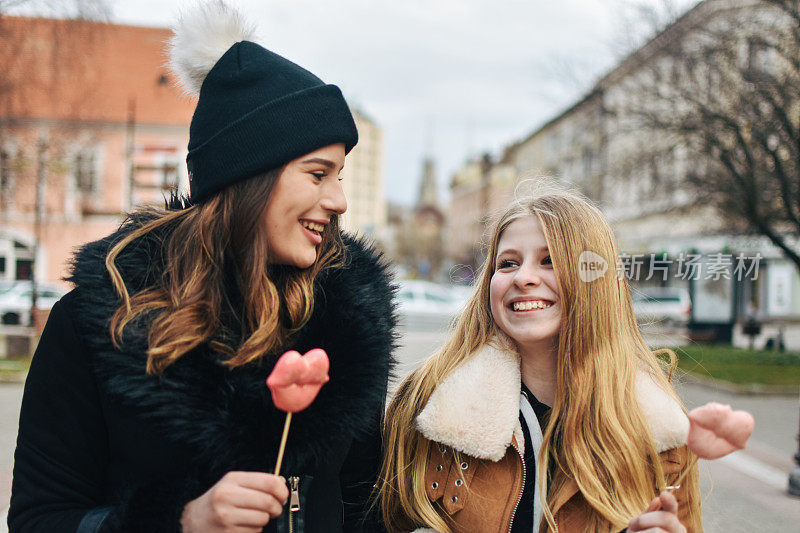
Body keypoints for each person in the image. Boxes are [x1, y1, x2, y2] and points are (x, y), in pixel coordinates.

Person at [9, 2, 394, 532]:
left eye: (341, 176)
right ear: (250, 175)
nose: (339, 201)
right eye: (318, 174)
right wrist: (180, 522)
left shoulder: (349, 327)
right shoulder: (95, 324)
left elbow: (364, 505)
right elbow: (39, 518)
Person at [379, 185, 702, 532]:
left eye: (549, 261)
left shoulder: (661, 430)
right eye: (508, 263)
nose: (523, 277)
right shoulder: (427, 401)